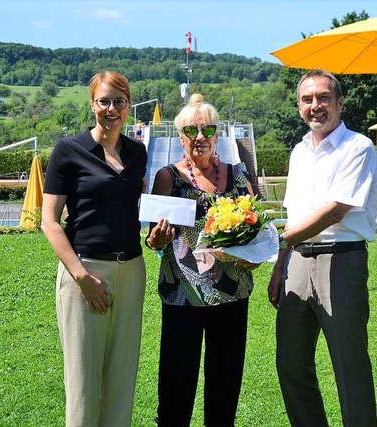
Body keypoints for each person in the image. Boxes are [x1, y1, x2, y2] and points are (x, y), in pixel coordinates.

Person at [267, 69, 377, 426]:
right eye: (307, 99)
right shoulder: (299, 151)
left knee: (350, 365)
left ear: (340, 102)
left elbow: (336, 209)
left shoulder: (358, 147)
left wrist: (278, 242)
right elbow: (295, 215)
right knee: (291, 363)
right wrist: (279, 265)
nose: (315, 106)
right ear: (299, 105)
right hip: (296, 264)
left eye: (323, 98)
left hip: (341, 260)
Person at [41, 71, 147, 427]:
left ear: (128, 105)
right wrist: (82, 277)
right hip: (85, 272)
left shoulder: (137, 153)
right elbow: (50, 222)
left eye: (119, 101)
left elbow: (135, 209)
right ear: (92, 105)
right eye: (104, 101)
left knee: (121, 379)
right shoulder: (68, 151)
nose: (112, 108)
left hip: (132, 270)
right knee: (83, 382)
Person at [146, 96, 257, 426]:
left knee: (225, 389)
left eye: (207, 128)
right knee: (176, 388)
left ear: (217, 134)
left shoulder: (238, 175)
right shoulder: (168, 177)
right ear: (180, 137)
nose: (200, 136)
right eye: (190, 130)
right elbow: (152, 236)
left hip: (231, 292)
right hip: (183, 296)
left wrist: (256, 253)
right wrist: (158, 240)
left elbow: (257, 226)